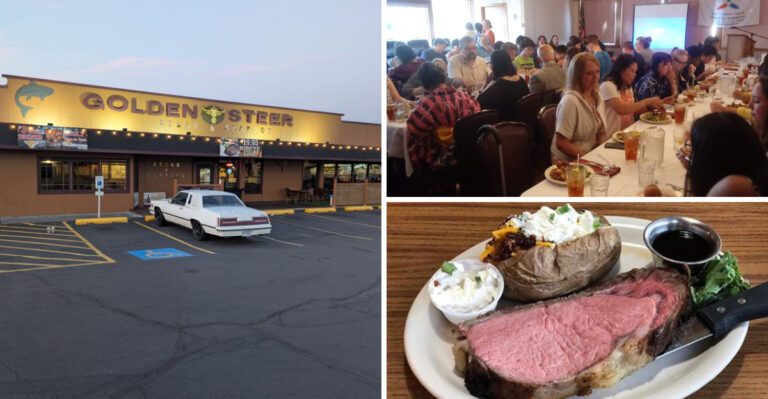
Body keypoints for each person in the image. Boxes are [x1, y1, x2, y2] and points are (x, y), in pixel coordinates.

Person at [406, 62, 480, 195]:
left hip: (445, 158)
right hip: (470, 152)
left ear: (425, 84)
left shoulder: (429, 103)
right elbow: (478, 117)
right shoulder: (464, 97)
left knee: (415, 142)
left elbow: (413, 128)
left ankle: (420, 186)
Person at [685, 112, 768, 196]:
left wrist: (698, 168)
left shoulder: (732, 187)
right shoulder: (749, 175)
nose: (693, 154)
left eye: (694, 148)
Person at [551, 52, 609, 162]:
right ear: (577, 76)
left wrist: (601, 155)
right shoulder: (570, 101)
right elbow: (561, 143)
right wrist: (590, 158)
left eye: (597, 71)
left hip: (588, 156)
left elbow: (601, 133)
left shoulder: (598, 96)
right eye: (589, 73)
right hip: (568, 163)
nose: (596, 77)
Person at [599, 54, 664, 134]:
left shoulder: (627, 87)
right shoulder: (607, 85)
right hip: (611, 136)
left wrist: (655, 107)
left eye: (635, 71)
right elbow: (621, 109)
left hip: (627, 133)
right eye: (632, 71)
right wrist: (647, 101)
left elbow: (632, 109)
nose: (635, 74)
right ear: (621, 70)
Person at [477, 50, 530, 122]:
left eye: (490, 63)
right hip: (523, 122)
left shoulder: (497, 86)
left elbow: (479, 101)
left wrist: (485, 85)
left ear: (495, 65)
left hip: (501, 125)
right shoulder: (521, 81)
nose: (490, 65)